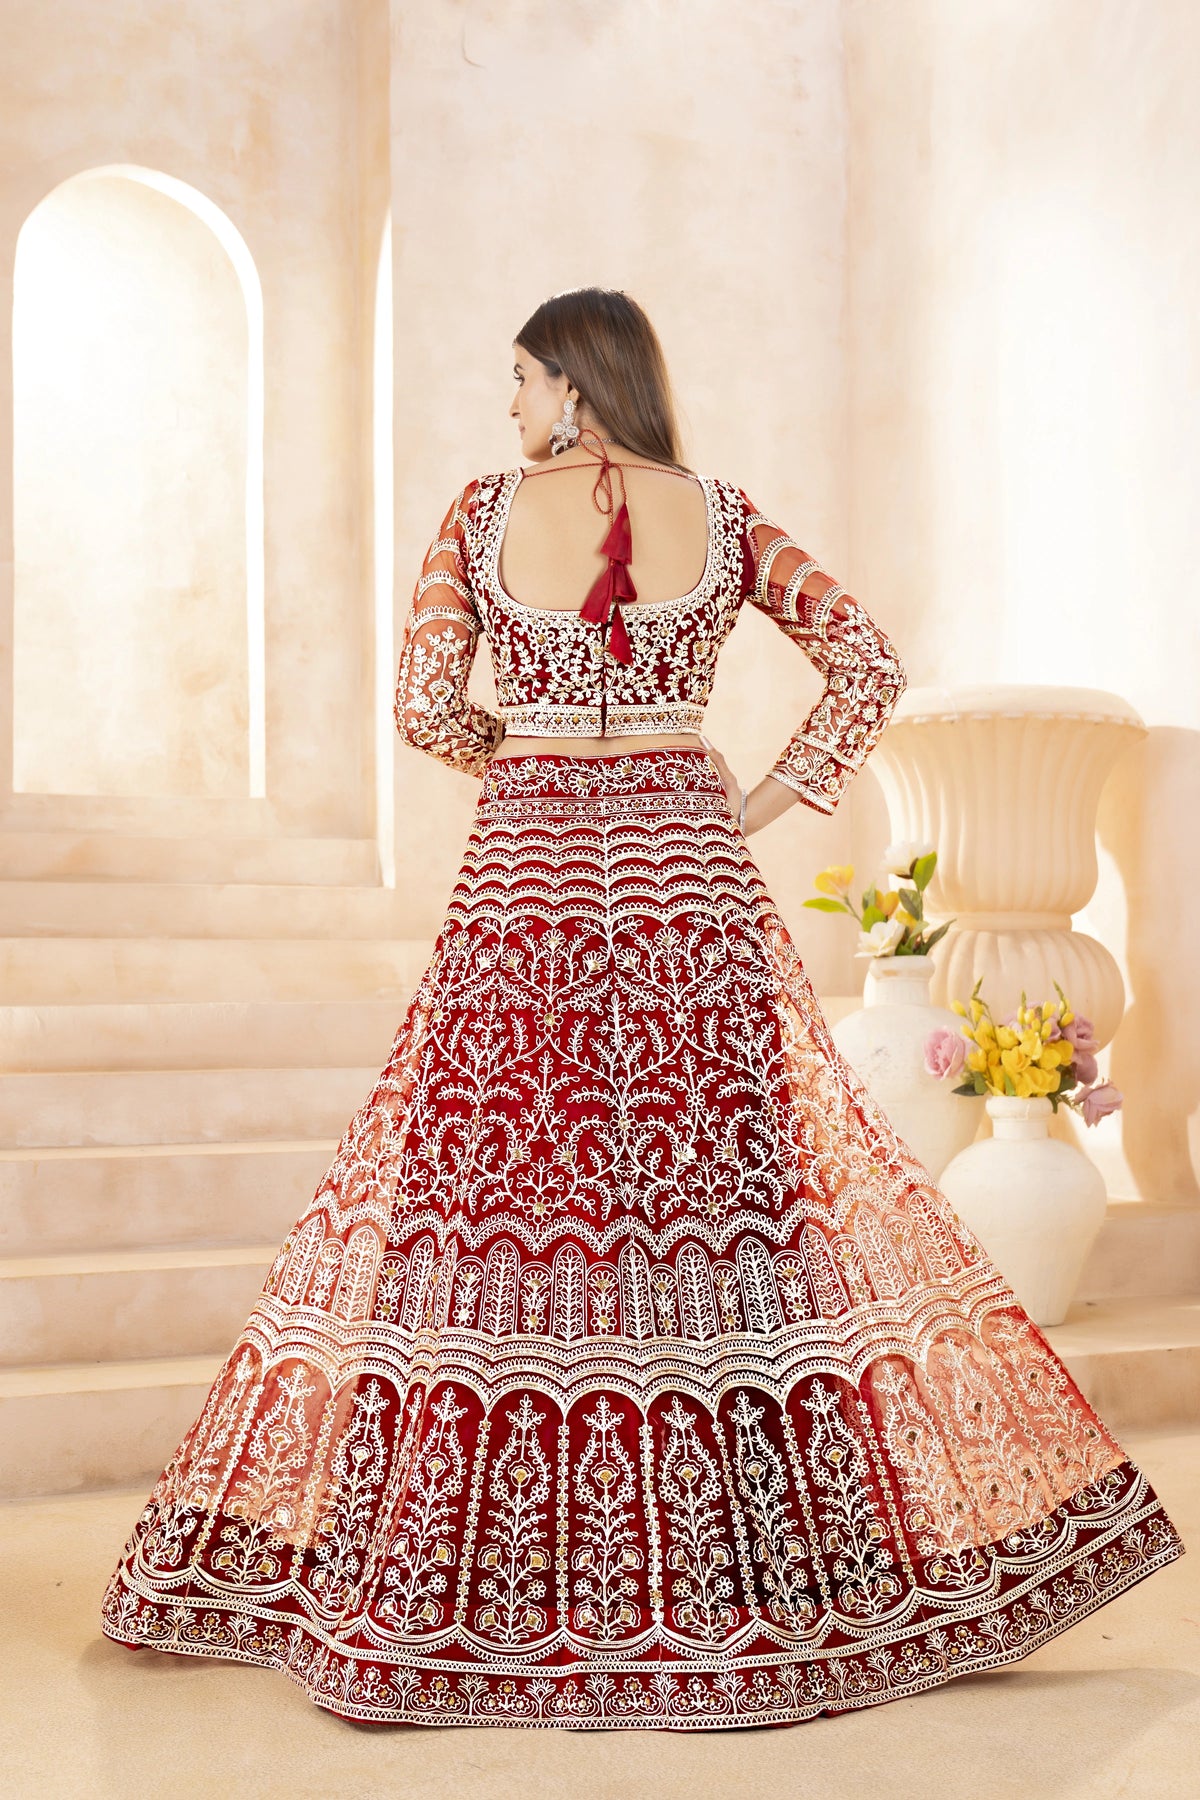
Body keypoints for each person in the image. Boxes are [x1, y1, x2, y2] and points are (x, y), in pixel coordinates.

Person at [102, 287, 1183, 1731]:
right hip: (686, 858)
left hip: (536, 869)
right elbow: (868, 664)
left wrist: (537, 758)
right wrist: (740, 800)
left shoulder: (479, 515)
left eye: (518, 381)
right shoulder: (728, 517)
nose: (510, 408)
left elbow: (427, 710)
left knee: (506, 1189)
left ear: (568, 383)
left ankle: (488, 1582)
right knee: (722, 1191)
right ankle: (773, 1568)